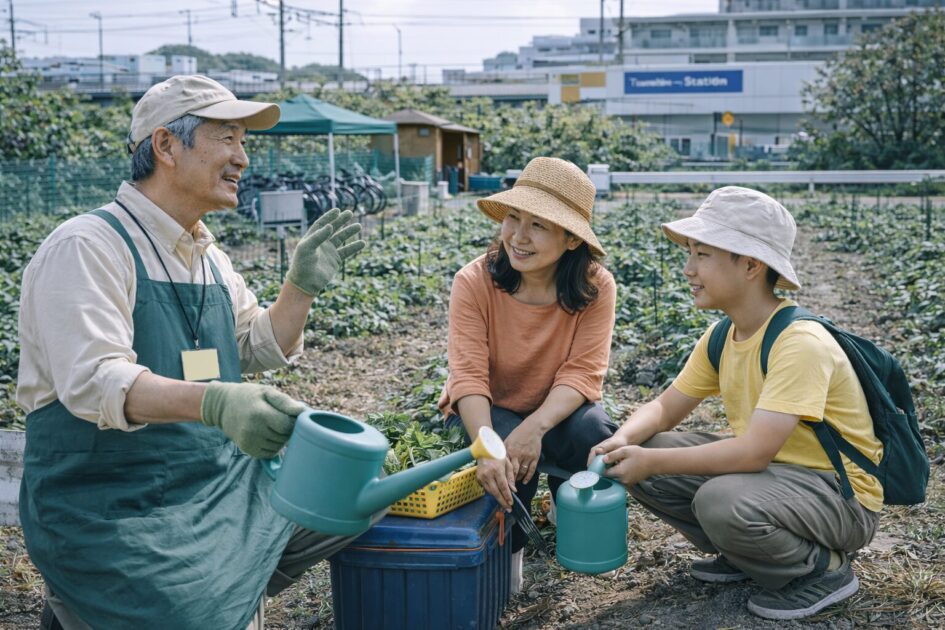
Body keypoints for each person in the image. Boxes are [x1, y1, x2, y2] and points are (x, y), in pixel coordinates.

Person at [17, 75, 369, 630]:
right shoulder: (89, 247)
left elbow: (254, 343)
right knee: (193, 612)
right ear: (165, 147)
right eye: (227, 138)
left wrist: (299, 289)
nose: (242, 158)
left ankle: (229, 579)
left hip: (216, 481)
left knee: (353, 500)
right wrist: (216, 405)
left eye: (244, 142)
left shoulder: (206, 256)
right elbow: (94, 381)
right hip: (114, 503)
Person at [592, 186, 882, 620]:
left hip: (840, 498)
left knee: (717, 498)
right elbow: (666, 407)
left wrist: (649, 464)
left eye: (702, 254)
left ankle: (823, 571)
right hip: (780, 481)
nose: (688, 269)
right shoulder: (722, 336)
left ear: (750, 265)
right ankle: (749, 554)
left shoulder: (799, 342)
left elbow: (754, 452)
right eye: (689, 253)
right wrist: (621, 441)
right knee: (646, 449)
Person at [439, 156, 618, 592]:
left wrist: (535, 427)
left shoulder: (596, 287)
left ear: (571, 239)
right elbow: (468, 374)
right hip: (489, 406)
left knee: (594, 431)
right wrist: (487, 443)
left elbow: (582, 374)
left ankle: (568, 502)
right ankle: (509, 554)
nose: (518, 236)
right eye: (513, 218)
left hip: (554, 409)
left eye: (538, 226)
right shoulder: (474, 281)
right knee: (504, 455)